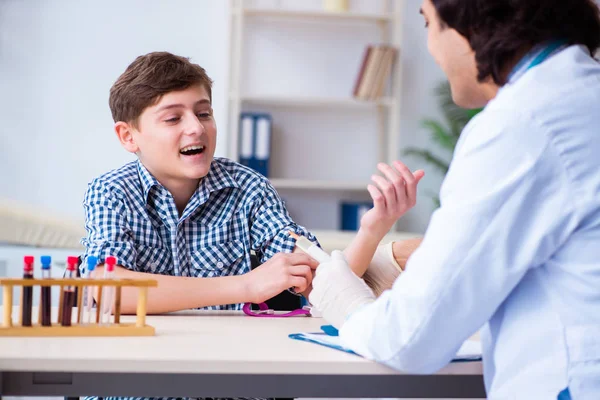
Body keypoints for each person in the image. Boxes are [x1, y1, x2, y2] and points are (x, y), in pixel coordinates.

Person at [309, 0, 600, 399]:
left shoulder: (521, 124)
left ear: (476, 20)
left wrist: (347, 303)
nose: (430, 46)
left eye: (429, 24)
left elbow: (410, 339)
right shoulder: (582, 94)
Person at [81, 51, 421, 315]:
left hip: (235, 375)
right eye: (173, 118)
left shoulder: (249, 189)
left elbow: (321, 283)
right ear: (128, 136)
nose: (196, 129)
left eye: (204, 113)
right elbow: (107, 290)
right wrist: (245, 286)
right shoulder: (112, 192)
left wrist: (373, 228)